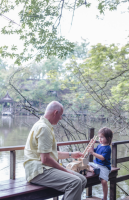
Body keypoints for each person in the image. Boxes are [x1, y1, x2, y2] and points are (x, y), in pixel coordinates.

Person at [23, 101, 87, 200]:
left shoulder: (44, 125)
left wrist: (71, 154)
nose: (61, 118)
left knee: (82, 179)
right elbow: (45, 159)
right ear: (55, 112)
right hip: (38, 171)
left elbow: (49, 155)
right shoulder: (44, 128)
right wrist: (66, 170)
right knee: (75, 182)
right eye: (61, 115)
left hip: (43, 168)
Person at [87, 127, 113, 200]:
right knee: (85, 163)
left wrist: (93, 153)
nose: (100, 139)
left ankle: (104, 197)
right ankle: (93, 170)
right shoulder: (99, 145)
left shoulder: (107, 148)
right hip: (96, 164)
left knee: (104, 181)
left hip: (104, 166)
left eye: (102, 137)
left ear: (108, 138)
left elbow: (102, 158)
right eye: (99, 137)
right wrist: (92, 144)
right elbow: (92, 150)